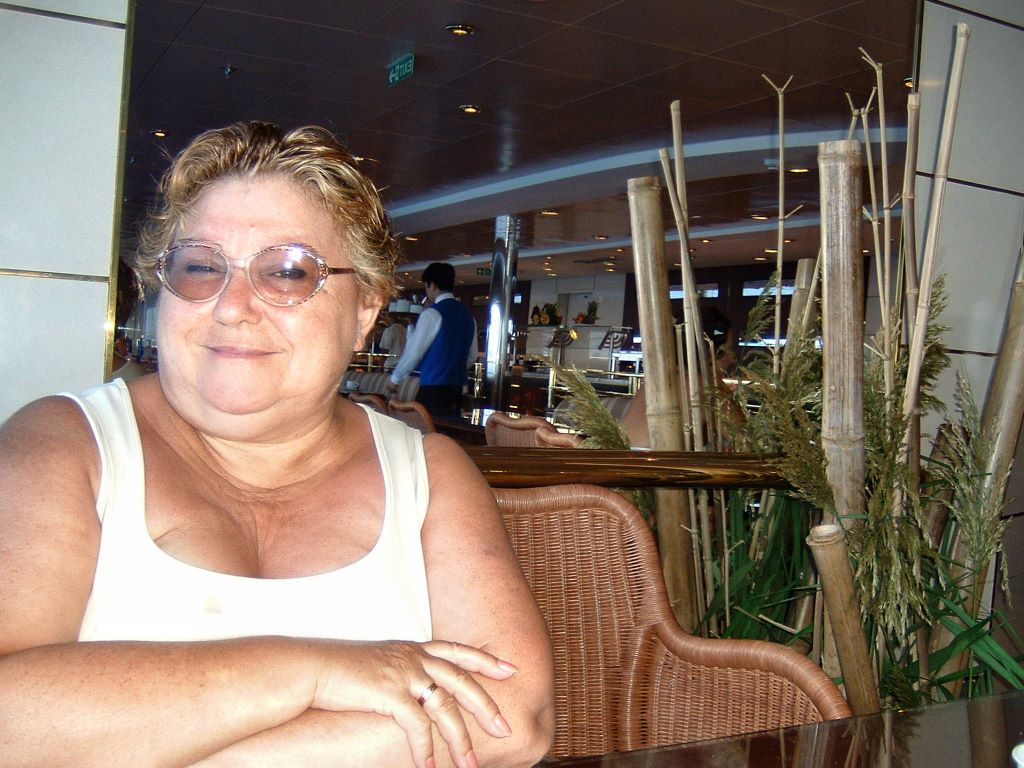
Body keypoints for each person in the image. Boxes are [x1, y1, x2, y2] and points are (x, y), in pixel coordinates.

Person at [0, 122, 554, 768]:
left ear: (365, 309)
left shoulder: (429, 475)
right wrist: (311, 671)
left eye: (288, 272)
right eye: (201, 267)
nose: (232, 306)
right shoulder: (66, 445)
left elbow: (512, 718)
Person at [386, 263, 477, 417]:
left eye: (426, 286)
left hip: (433, 390)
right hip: (457, 390)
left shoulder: (432, 314)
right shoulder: (469, 317)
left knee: (423, 429)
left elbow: (414, 353)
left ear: (432, 285)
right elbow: (472, 356)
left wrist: (395, 378)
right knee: (448, 429)